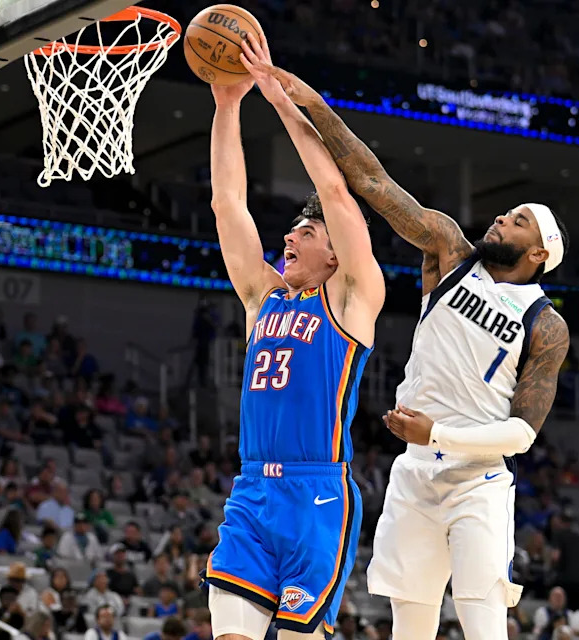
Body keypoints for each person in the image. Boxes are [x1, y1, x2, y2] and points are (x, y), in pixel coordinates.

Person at [261, 62, 570, 639]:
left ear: (538, 253)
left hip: (478, 479)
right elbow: (372, 183)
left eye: (520, 220)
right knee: (410, 630)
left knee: (484, 627)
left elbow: (522, 435)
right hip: (414, 474)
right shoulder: (451, 251)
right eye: (508, 211)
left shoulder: (545, 323)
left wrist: (440, 434)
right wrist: (308, 102)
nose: (503, 216)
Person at [202, 33, 385, 640]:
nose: (292, 236)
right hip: (251, 490)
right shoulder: (264, 297)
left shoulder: (353, 299)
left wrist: (281, 101)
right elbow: (228, 203)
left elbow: (337, 194)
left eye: (307, 232)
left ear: (335, 249)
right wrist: (227, 105)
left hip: (317, 497)